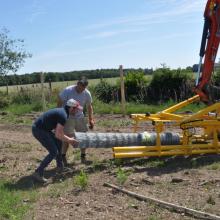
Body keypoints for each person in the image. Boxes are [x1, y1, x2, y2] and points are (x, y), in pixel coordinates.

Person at [32, 99, 82, 183]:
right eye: (76, 109)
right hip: (39, 130)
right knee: (53, 152)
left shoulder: (63, 112)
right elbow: (58, 134)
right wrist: (70, 140)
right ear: (71, 108)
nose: (77, 111)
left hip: (44, 129)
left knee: (59, 142)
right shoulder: (63, 115)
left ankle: (60, 167)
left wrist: (66, 138)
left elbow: (58, 132)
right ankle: (38, 173)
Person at [57, 76, 94, 165]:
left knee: (83, 136)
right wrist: (59, 115)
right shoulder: (68, 90)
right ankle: (63, 157)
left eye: (84, 87)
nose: (82, 90)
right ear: (77, 84)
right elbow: (59, 101)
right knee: (66, 138)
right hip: (68, 117)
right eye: (81, 87)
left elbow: (89, 107)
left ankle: (83, 156)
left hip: (80, 117)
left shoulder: (86, 93)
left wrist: (91, 119)